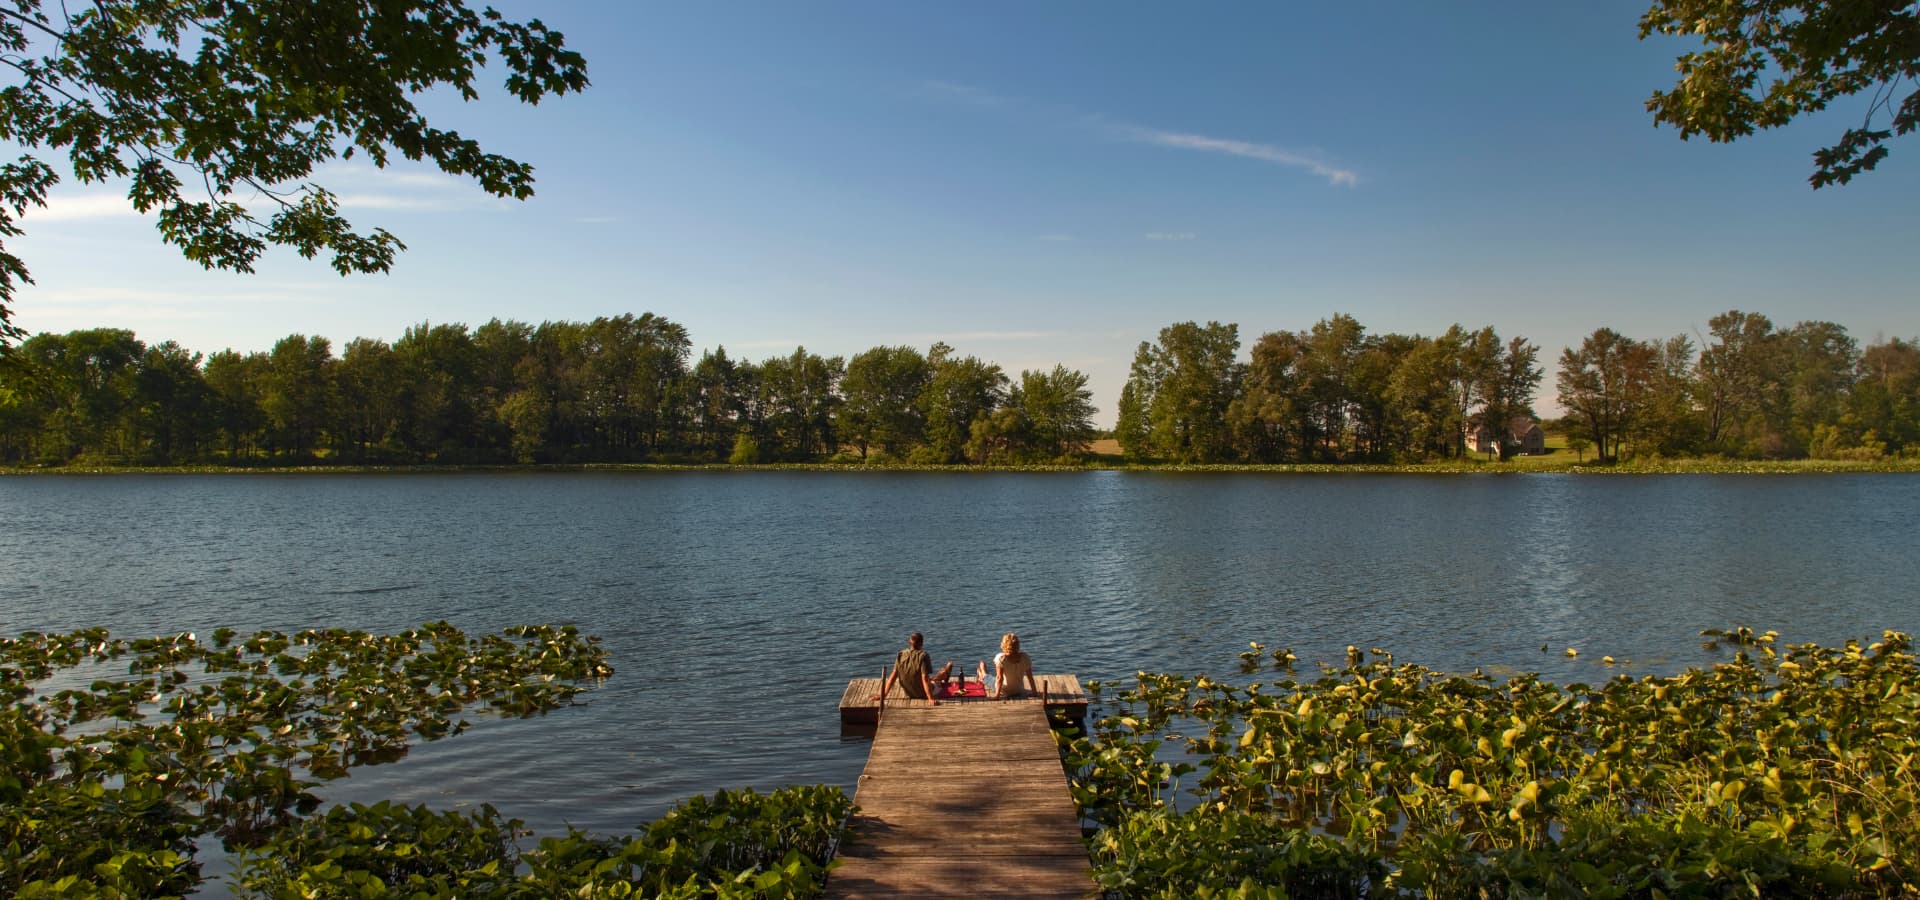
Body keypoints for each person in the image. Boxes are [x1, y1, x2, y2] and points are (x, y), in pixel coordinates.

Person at [874, 632, 955, 704]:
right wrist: (930, 698)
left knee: (931, 680)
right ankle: (945, 673)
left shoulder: (900, 654)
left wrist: (883, 695)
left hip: (909, 693)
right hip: (922, 693)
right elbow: (925, 678)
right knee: (936, 683)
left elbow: (893, 676)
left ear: (909, 642)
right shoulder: (923, 656)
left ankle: (944, 673)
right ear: (922, 643)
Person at [977, 632, 1039, 700]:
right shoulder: (1025, 657)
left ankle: (982, 673)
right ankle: (982, 672)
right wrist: (1034, 692)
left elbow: (999, 678)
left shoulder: (1001, 658)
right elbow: (1030, 677)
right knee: (993, 678)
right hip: (1018, 690)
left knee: (989, 678)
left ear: (1004, 645)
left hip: (1004, 691)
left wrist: (997, 696)